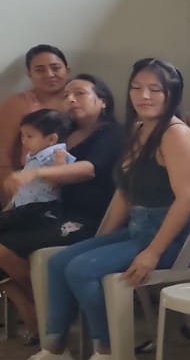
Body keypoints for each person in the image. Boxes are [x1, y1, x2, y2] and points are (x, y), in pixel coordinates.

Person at [6, 59, 190, 360]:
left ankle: (109, 352)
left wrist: (152, 253)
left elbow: (186, 199)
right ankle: (55, 351)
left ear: (172, 93)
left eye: (155, 89)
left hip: (174, 237)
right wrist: (100, 241)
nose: (144, 96)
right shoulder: (139, 130)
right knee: (60, 262)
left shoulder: (176, 134)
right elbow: (125, 193)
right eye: (137, 87)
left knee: (82, 269)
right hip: (139, 228)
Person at [0, 75, 124, 339]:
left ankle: (48, 314)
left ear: (102, 100)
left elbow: (89, 169)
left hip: (88, 219)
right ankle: (34, 309)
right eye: (67, 95)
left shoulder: (112, 133)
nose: (71, 99)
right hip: (52, 212)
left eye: (80, 93)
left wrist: (36, 174)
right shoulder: (64, 133)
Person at [0, 44, 71, 187]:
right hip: (30, 185)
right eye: (40, 70)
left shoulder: (79, 101)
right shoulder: (18, 103)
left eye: (55, 68)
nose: (49, 74)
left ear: (67, 70)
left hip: (76, 180)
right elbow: (2, 152)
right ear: (30, 75)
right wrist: (9, 187)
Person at [1, 109, 75, 217]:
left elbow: (55, 183)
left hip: (41, 209)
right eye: (22, 136)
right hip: (22, 206)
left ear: (51, 139)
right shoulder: (34, 154)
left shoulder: (57, 155)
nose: (24, 141)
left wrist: (59, 162)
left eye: (29, 136)